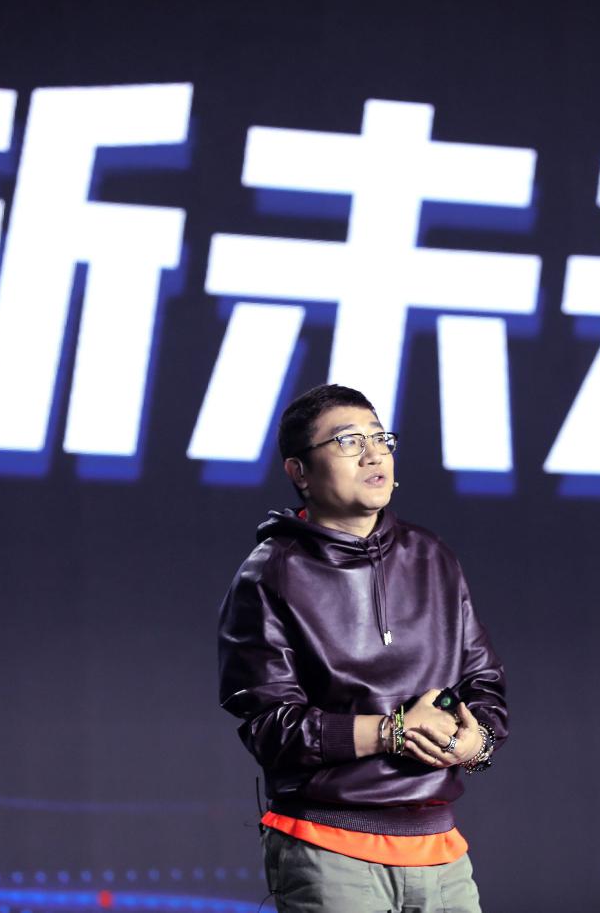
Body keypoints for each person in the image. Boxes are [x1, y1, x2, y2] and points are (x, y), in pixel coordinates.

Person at [217, 383, 508, 913]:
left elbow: (483, 684)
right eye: (348, 441)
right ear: (299, 472)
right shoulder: (270, 575)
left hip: (440, 849)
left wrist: (476, 743)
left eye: (380, 438)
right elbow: (269, 727)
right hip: (328, 848)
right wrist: (393, 732)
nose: (374, 454)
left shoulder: (432, 557)